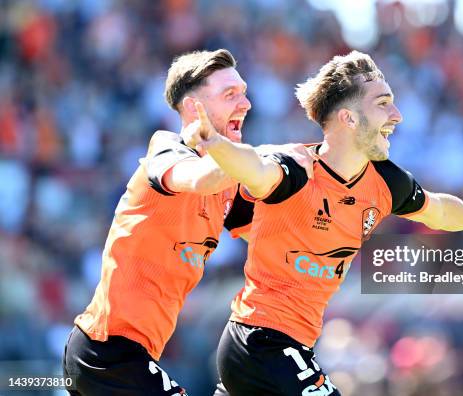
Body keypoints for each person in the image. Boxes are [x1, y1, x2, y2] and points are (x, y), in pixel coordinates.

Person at [186, 51, 463, 396]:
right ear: (349, 119)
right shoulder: (297, 168)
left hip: (287, 348)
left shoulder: (385, 182)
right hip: (261, 342)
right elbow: (255, 169)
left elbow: (439, 209)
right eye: (383, 103)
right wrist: (214, 144)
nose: (396, 115)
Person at [62, 49, 313, 396]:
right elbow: (199, 179)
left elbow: (277, 235)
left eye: (243, 92)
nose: (246, 103)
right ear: (195, 110)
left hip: (129, 357)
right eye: (230, 95)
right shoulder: (166, 148)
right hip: (106, 352)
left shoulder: (228, 186)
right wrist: (271, 155)